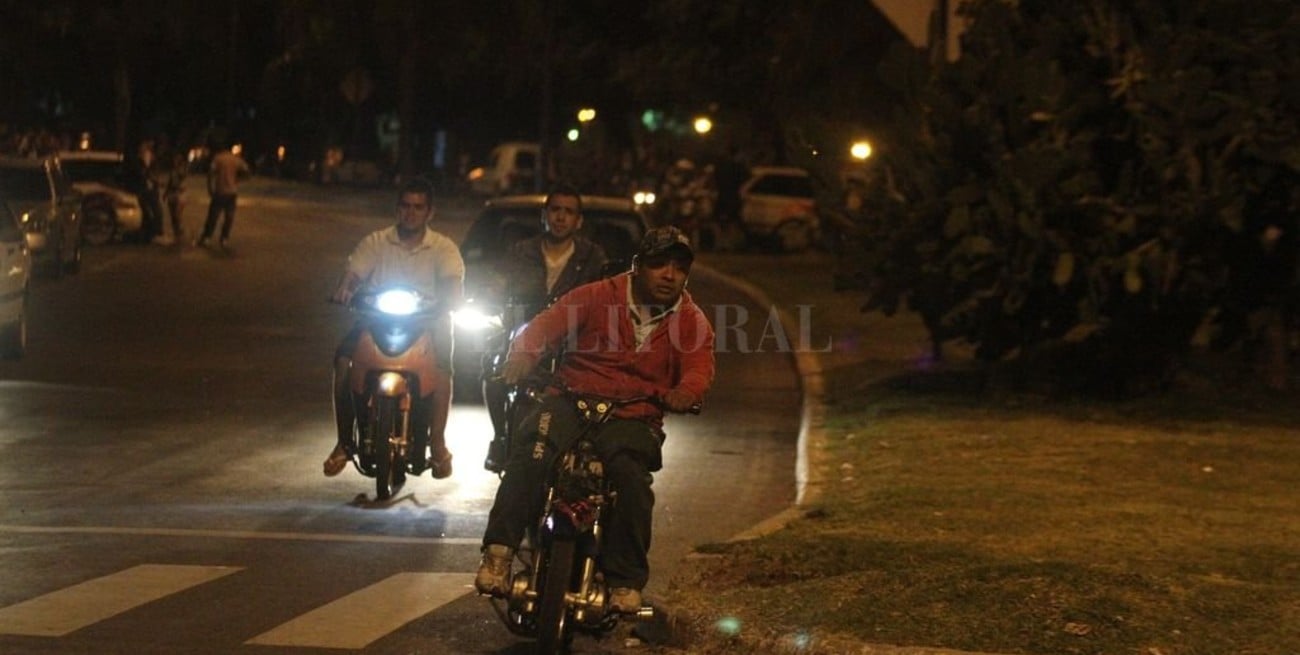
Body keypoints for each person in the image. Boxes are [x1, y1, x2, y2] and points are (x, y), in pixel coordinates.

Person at [474, 226, 715, 614]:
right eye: (659, 264)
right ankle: (498, 554)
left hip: (634, 414)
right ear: (638, 267)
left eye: (679, 267)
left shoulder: (691, 319)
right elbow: (543, 327)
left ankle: (625, 581)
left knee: (632, 482)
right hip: (571, 399)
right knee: (532, 450)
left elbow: (699, 368)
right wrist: (522, 355)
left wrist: (687, 392)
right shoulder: (598, 295)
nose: (669, 274)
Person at [322, 177, 464, 479]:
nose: (410, 213)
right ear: (396, 209)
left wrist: (450, 300)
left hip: (428, 321)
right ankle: (344, 443)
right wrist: (345, 289)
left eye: (418, 207)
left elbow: (453, 283)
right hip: (377, 319)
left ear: (430, 213)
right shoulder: (376, 242)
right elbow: (354, 273)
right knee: (343, 362)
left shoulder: (443, 248)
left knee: (442, 369)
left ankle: (437, 445)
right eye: (405, 206)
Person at [481, 185, 608, 472]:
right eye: (555, 210)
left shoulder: (592, 257)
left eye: (569, 212)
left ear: (579, 220)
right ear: (544, 215)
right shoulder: (521, 251)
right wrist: (489, 296)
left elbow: (605, 293)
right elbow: (499, 283)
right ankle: (501, 437)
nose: (561, 217)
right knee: (493, 366)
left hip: (572, 339)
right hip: (523, 332)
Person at [195, 141, 250, 249]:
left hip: (220, 191)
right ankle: (224, 238)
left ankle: (207, 237)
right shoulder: (236, 159)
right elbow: (247, 172)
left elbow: (210, 173)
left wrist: (210, 188)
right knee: (229, 217)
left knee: (213, 216)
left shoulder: (218, 158)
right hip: (232, 192)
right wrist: (237, 180)